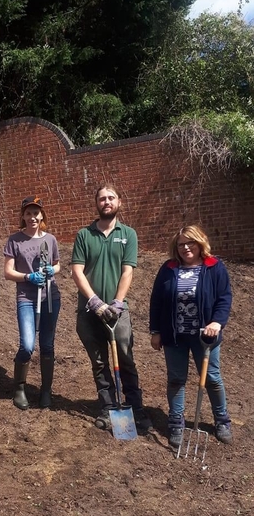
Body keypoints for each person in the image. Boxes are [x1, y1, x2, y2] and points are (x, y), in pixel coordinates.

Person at [71, 183, 152, 432]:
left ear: (119, 203)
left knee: (126, 359)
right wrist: (94, 301)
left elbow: (127, 271)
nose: (106, 202)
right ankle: (108, 407)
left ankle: (135, 409)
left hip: (118, 312)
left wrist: (117, 303)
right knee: (99, 363)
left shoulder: (128, 234)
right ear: (96, 204)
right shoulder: (84, 235)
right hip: (89, 312)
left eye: (111, 198)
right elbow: (77, 271)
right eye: (102, 199)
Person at [149, 225, 232, 447]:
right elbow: (156, 301)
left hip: (205, 337)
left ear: (199, 243)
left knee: (212, 379)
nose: (186, 247)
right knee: (176, 379)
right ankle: (176, 421)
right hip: (174, 336)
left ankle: (222, 420)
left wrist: (217, 322)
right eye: (181, 244)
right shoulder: (168, 268)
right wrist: (155, 331)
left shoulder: (214, 267)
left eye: (190, 243)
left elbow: (224, 297)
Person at [4, 195, 61, 410]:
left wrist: (49, 270)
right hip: (27, 299)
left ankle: (46, 391)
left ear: (42, 215)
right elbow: (8, 272)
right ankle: (19, 388)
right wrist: (28, 277)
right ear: (23, 216)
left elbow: (57, 265)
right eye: (28, 213)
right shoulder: (14, 240)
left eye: (36, 213)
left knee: (47, 346)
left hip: (50, 299)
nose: (32, 217)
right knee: (27, 345)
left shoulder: (50, 239)